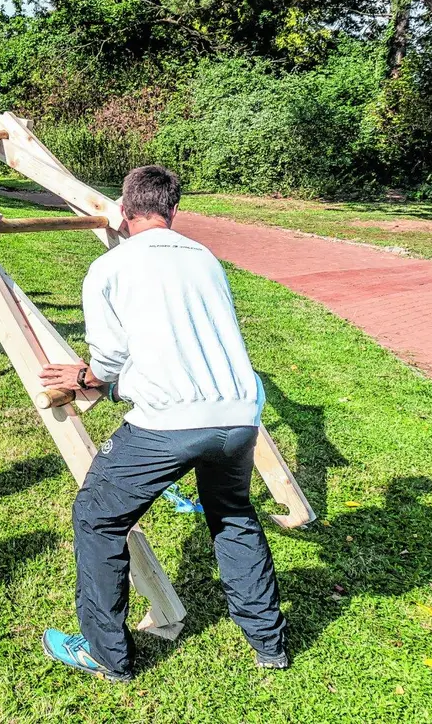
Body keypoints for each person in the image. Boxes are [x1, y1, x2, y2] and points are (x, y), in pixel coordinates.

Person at [35, 165, 289, 682]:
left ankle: (106, 654)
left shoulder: (110, 267)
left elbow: (107, 360)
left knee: (96, 515)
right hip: (238, 416)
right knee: (233, 516)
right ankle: (269, 645)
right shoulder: (204, 257)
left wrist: (84, 374)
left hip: (169, 424)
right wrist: (111, 381)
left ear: (124, 210)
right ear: (173, 211)